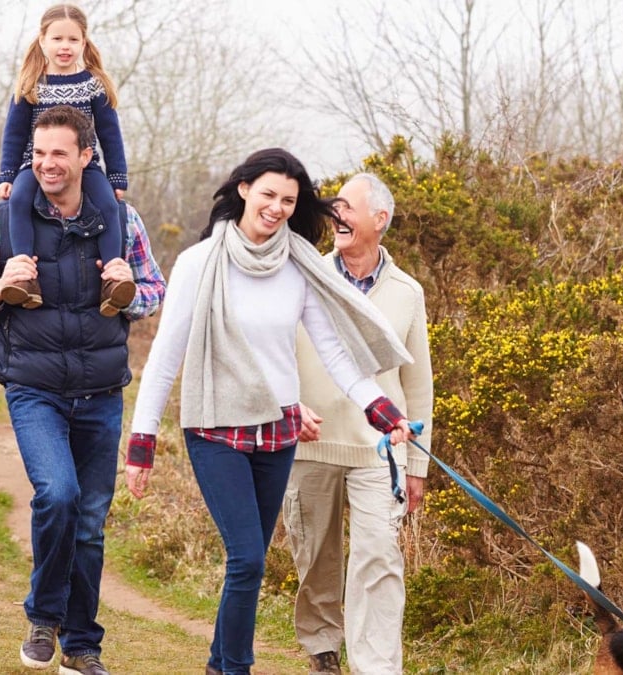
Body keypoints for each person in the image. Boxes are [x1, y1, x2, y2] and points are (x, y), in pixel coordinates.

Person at [125, 149, 418, 675]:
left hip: (277, 432)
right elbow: (165, 356)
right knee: (248, 559)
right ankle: (236, 667)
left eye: (288, 199)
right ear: (243, 190)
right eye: (268, 195)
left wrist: (379, 407)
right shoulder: (199, 264)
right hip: (214, 427)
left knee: (248, 565)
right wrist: (141, 443)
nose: (278, 208)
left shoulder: (298, 263)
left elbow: (333, 351)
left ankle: (219, 663)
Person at [0, 103, 165, 675]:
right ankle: (44, 617)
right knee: (59, 495)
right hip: (33, 388)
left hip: (101, 390)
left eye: (59, 154)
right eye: (38, 154)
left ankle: (82, 646)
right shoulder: (0, 222)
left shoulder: (123, 221)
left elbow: (156, 291)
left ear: (86, 157)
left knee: (90, 520)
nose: (46, 165)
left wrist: (129, 288)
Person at [282, 173, 434, 675]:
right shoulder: (305, 276)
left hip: (380, 452)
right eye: (334, 206)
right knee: (314, 560)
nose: (336, 215)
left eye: (347, 206)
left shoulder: (408, 293)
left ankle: (376, 666)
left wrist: (417, 463)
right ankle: (323, 649)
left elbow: (418, 385)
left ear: (379, 220)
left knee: (379, 558)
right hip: (310, 444)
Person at [0, 3, 134, 317]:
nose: (65, 46)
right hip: (36, 165)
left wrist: (117, 177)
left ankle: (112, 281)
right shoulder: (31, 85)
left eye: (73, 40)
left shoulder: (93, 85)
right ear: (43, 41)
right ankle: (25, 279)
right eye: (57, 39)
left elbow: (111, 135)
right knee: (18, 201)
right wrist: (7, 174)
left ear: (84, 43)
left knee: (109, 207)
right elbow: (14, 134)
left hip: (85, 166)